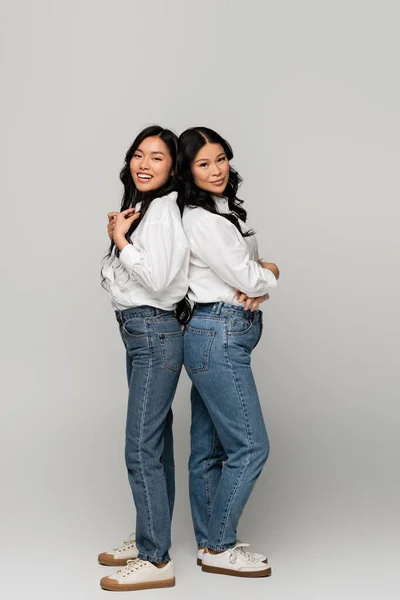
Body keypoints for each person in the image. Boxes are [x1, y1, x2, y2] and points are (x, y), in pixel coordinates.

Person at [176, 126, 280, 578]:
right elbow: (251, 278)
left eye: (221, 159)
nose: (217, 170)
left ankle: (209, 543)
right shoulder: (201, 220)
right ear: (188, 170)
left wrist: (256, 279)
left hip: (214, 331)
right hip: (218, 332)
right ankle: (219, 546)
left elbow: (246, 277)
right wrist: (272, 270)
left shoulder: (219, 210)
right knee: (251, 445)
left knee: (209, 446)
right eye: (204, 163)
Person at [99, 125, 189, 592]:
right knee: (153, 444)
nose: (144, 164)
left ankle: (157, 560)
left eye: (157, 157)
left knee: (140, 446)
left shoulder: (165, 212)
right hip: (139, 333)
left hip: (153, 333)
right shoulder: (145, 211)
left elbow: (159, 282)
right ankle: (148, 536)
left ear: (172, 167)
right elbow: (121, 281)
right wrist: (121, 236)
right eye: (138, 154)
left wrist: (122, 240)